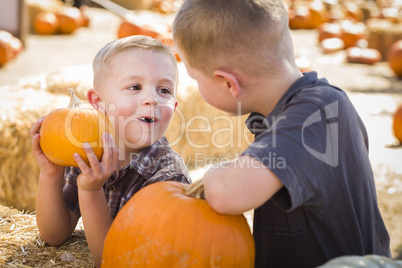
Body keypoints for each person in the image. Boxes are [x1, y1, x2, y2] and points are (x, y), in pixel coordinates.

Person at [172, 0, 391, 267]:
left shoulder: (317, 115)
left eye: (195, 79)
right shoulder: (280, 114)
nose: (195, 86)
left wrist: (212, 176)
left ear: (229, 83)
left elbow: (227, 193)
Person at [30, 35, 190, 267]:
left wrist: (91, 191)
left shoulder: (167, 180)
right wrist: (51, 174)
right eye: (135, 87)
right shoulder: (87, 154)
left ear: (174, 106)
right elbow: (54, 235)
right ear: (98, 102)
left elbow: (113, 262)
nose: (152, 99)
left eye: (164, 90)